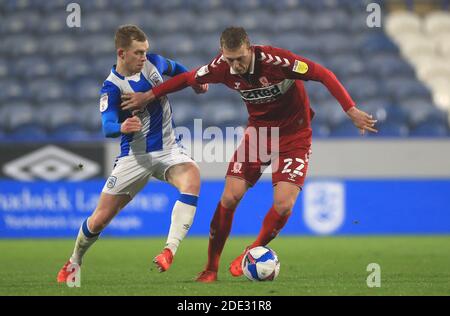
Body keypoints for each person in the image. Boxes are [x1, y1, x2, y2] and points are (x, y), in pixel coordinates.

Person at [120, 27, 377, 283]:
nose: (236, 65)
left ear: (250, 48)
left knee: (284, 204)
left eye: (240, 58)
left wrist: (350, 110)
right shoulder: (221, 66)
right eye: (230, 59)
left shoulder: (277, 61)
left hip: (294, 136)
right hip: (258, 136)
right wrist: (149, 95)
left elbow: (323, 74)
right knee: (230, 197)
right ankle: (211, 268)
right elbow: (188, 78)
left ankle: (250, 252)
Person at [57, 25, 208, 283]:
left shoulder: (154, 63)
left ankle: (169, 250)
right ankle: (74, 261)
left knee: (192, 178)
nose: (144, 57)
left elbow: (178, 69)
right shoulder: (112, 88)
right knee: (99, 220)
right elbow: (107, 126)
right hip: (134, 158)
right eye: (138, 53)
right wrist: (121, 126)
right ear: (122, 53)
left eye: (145, 51)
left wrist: (195, 82)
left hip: (168, 150)